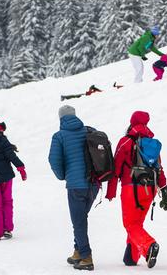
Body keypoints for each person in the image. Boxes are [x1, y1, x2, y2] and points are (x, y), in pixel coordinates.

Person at [106, 111, 167, 269]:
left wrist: (111, 191)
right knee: (137, 223)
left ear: (132, 122)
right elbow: (159, 169)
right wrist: (164, 188)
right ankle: (131, 257)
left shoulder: (126, 141)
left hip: (131, 188)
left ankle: (149, 246)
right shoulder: (152, 145)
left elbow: (116, 168)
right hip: (150, 189)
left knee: (130, 224)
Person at [49, 105, 100, 270]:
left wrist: (63, 175)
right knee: (81, 219)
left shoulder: (59, 136)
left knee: (78, 222)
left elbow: (54, 161)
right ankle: (78, 251)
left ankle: (86, 257)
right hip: (94, 184)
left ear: (61, 118)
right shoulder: (88, 131)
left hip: (76, 186)